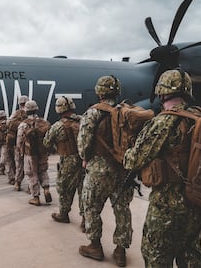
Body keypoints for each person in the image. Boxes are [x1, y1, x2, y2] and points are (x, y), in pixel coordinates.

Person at [123, 69, 201, 267]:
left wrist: (128, 151)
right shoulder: (200, 118)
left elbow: (134, 160)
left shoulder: (163, 122)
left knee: (156, 254)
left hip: (167, 205)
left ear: (162, 92)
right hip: (197, 201)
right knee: (191, 253)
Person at [77, 75, 133, 267]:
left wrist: (85, 158)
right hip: (122, 169)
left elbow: (83, 143)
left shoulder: (92, 113)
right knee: (122, 209)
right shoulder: (125, 111)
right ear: (116, 92)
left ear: (99, 92)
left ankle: (95, 246)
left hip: (98, 170)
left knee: (91, 206)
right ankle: (120, 251)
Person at [43, 96, 85, 231]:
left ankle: (63, 213)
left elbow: (46, 143)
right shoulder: (83, 121)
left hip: (68, 160)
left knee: (64, 187)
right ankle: (86, 219)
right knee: (83, 189)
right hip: (85, 159)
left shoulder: (58, 126)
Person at [16, 100, 52, 206]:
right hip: (43, 152)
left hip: (30, 153)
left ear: (26, 111)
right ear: (36, 109)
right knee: (43, 171)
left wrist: (20, 151)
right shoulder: (44, 122)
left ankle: (36, 197)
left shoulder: (23, 125)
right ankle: (46, 189)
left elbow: (19, 141)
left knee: (32, 174)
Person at [7, 95, 29, 190]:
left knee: (19, 164)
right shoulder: (32, 113)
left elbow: (8, 123)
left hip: (18, 143)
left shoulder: (16, 114)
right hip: (29, 144)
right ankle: (30, 187)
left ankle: (18, 183)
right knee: (31, 166)